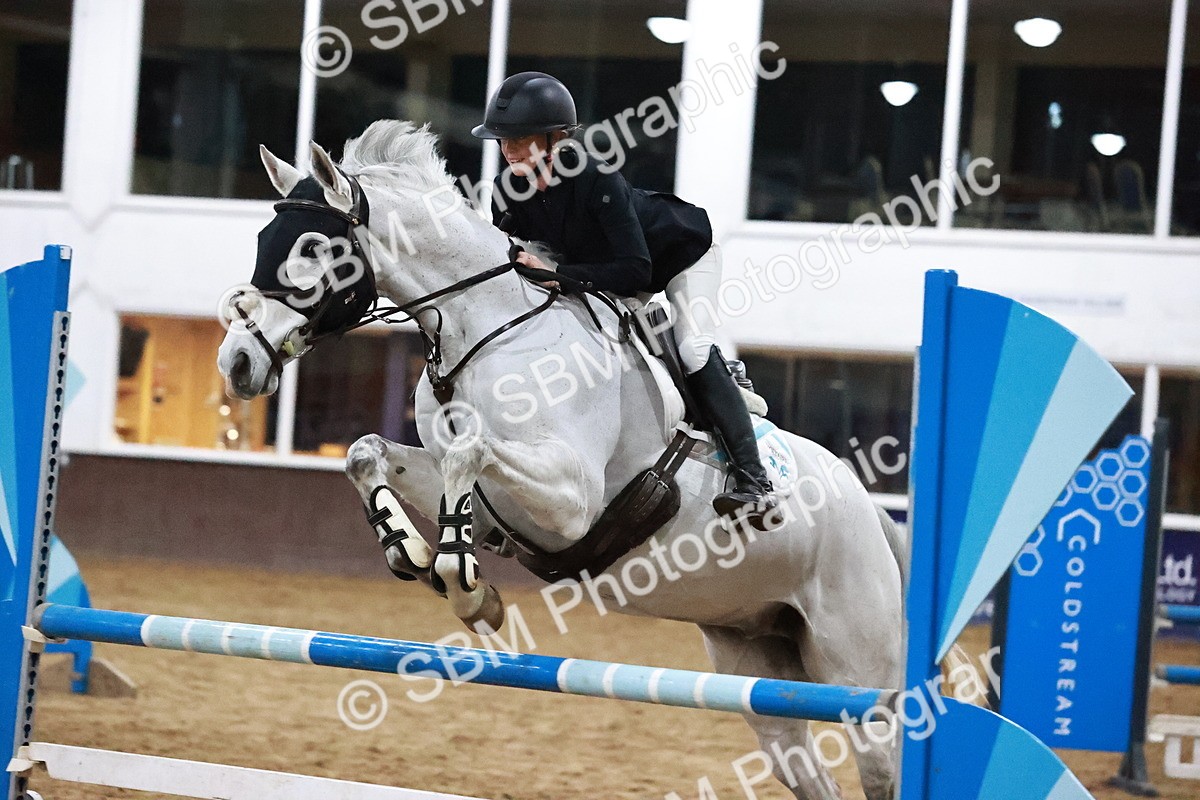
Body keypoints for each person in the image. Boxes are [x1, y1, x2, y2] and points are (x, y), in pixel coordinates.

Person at [472, 71, 778, 529]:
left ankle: (755, 481)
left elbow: (637, 269)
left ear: (556, 139)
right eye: (503, 140)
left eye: (520, 138)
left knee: (692, 347)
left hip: (677, 257)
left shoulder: (596, 177)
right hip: (605, 274)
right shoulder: (506, 195)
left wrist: (559, 276)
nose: (509, 149)